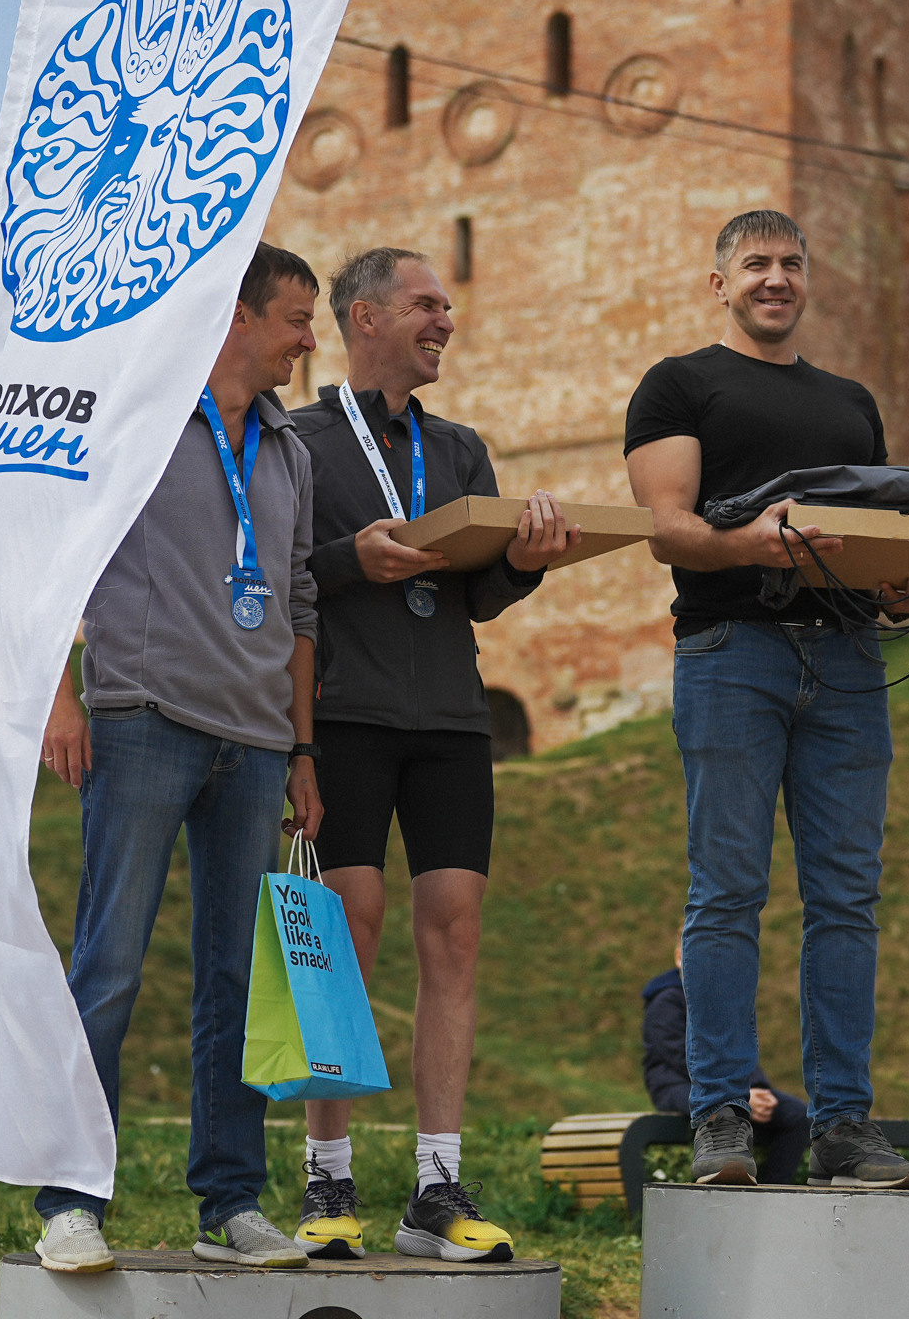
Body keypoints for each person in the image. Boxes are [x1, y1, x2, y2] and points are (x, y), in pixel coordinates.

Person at [30, 242, 326, 1274]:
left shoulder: (290, 450)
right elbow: (58, 550)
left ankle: (231, 1203)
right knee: (108, 966)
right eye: (296, 320)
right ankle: (69, 1201)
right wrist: (59, 697)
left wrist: (302, 748)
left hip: (256, 742)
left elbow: (299, 604)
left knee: (237, 983)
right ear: (239, 316)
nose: (309, 341)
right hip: (143, 719)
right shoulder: (141, 414)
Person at [624, 207, 909, 1192]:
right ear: (721, 283)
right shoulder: (679, 384)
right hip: (731, 652)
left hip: (848, 658)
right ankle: (719, 1114)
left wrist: (906, 587)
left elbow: (868, 537)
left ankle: (843, 1125)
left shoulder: (851, 402)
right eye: (756, 263)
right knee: (727, 890)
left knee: (848, 897)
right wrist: (752, 542)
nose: (776, 278)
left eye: (792, 263)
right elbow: (668, 528)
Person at [290, 247, 578, 1263]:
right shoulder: (297, 441)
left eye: (448, 306)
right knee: (348, 931)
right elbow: (276, 574)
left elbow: (478, 595)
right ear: (364, 317)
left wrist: (524, 564)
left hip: (452, 718)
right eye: (425, 304)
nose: (445, 320)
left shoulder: (458, 448)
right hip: (344, 716)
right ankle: (327, 1174)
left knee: (454, 933)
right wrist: (347, 560)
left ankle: (436, 1185)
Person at [641, 935, 811, 1186]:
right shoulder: (665, 1002)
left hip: (732, 1084)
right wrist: (738, 1094)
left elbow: (742, 1048)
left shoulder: (724, 1000)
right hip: (676, 1084)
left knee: (798, 1116)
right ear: (679, 958)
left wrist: (757, 1088)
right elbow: (679, 1056)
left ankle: (774, 1187)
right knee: (722, 1108)